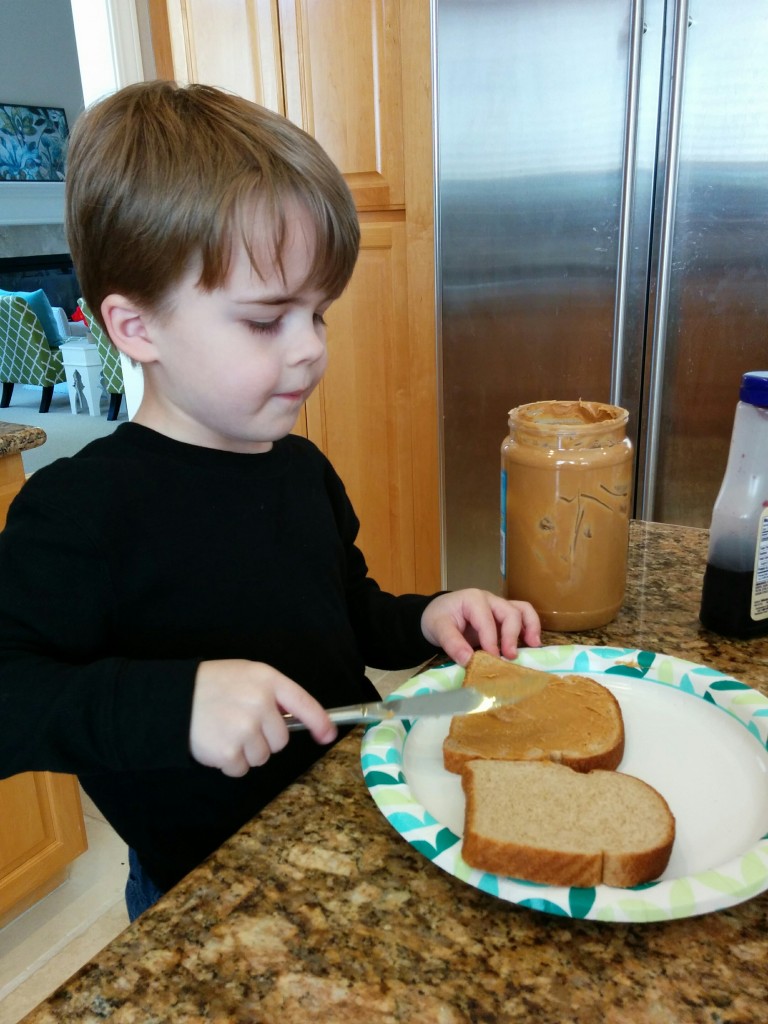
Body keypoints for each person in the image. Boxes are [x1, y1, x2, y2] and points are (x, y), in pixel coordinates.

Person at [0, 82, 540, 921]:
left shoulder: (300, 469)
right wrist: (174, 705)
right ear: (136, 327)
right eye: (265, 321)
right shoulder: (78, 513)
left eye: (318, 313)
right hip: (205, 893)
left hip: (352, 824)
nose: (309, 351)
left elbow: (342, 611)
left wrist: (427, 618)